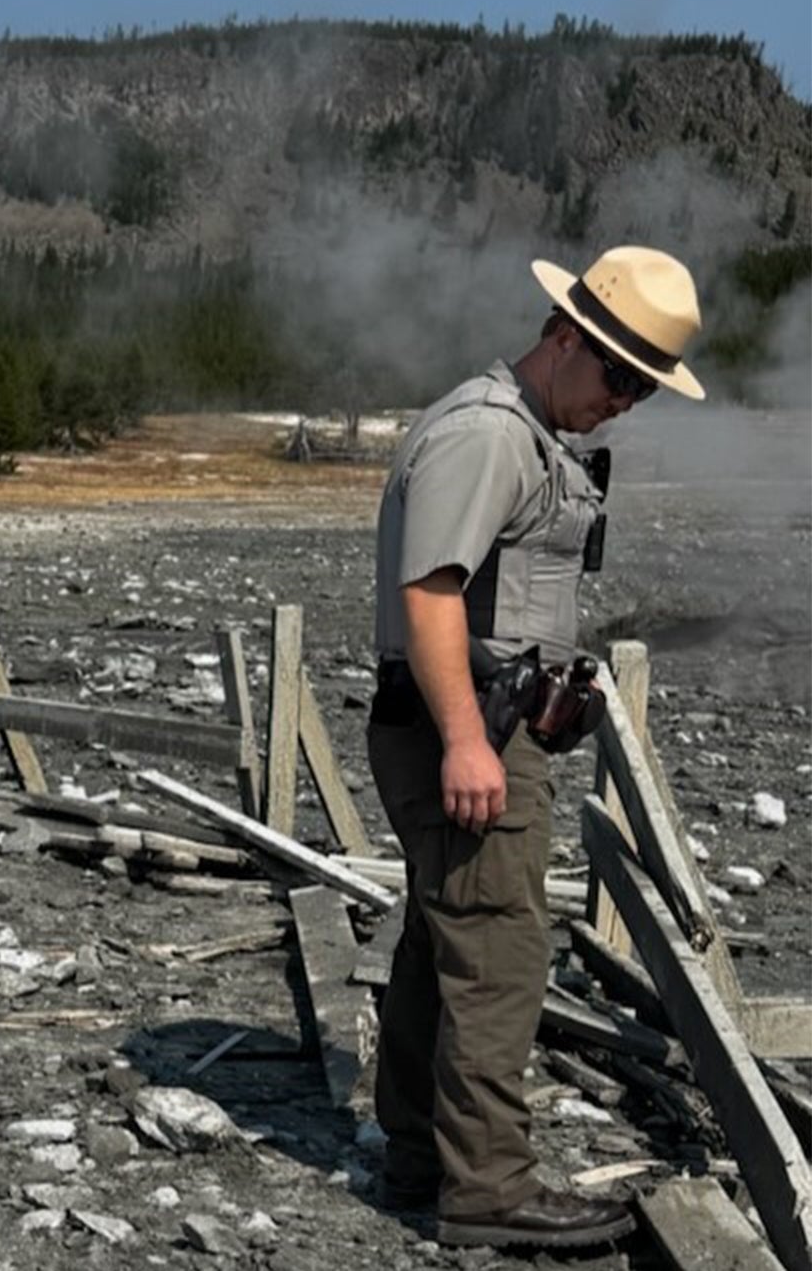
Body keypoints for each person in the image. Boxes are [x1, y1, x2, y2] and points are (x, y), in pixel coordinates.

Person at [367, 246, 705, 1250]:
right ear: (565, 338)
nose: (626, 402)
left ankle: (422, 1158)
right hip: (462, 726)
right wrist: (469, 740)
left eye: (644, 387)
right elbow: (429, 593)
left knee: (447, 939)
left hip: (477, 719)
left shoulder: (524, 432)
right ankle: (490, 1192)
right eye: (619, 376)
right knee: (501, 950)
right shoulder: (489, 435)